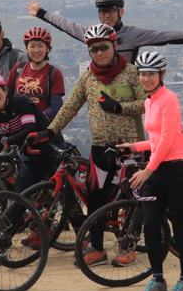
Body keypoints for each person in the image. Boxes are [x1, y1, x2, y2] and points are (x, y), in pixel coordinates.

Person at [27, 24, 146, 267]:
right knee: (95, 198)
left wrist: (120, 107)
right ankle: (98, 248)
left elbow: (147, 102)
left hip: (131, 147)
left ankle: (128, 246)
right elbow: (70, 106)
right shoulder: (88, 77)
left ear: (114, 46)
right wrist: (50, 130)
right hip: (100, 146)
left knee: (132, 196)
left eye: (104, 47)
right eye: (93, 49)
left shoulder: (132, 73)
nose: (99, 53)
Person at [116, 51, 183, 291]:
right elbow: (155, 139)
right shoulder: (150, 101)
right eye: (142, 74)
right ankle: (158, 279)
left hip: (176, 169)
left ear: (162, 74)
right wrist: (135, 146)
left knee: (181, 226)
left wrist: (147, 170)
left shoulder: (168, 98)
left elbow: (168, 139)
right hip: (157, 168)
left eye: (151, 74)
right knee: (151, 226)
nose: (146, 78)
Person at [27, 0, 183, 61]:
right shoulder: (92, 34)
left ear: (121, 12)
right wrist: (42, 13)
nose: (106, 16)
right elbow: (68, 25)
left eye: (111, 11)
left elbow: (163, 36)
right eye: (102, 12)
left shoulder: (132, 34)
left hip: (127, 95)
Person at [5, 26, 66, 118]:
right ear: (26, 48)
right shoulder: (18, 68)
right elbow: (6, 95)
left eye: (40, 46)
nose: (36, 50)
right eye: (32, 46)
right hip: (18, 123)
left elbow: (56, 106)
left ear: (48, 49)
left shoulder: (54, 73)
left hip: (42, 126)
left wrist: (36, 119)